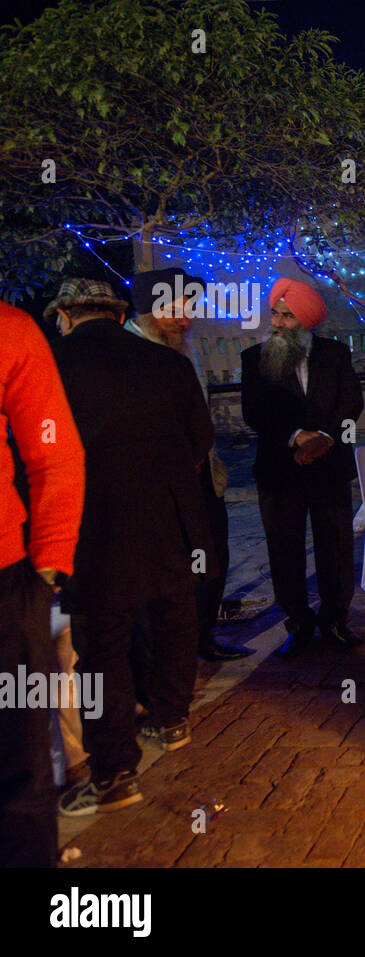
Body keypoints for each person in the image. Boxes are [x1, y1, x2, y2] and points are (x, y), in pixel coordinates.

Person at [48, 279, 214, 816]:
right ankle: (173, 719)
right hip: (166, 518)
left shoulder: (52, 364)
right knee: (172, 616)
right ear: (119, 315)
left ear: (66, 317)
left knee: (101, 648)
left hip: (90, 526)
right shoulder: (167, 364)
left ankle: (115, 771)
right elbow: (201, 439)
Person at [126, 267, 249, 661]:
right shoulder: (126, 352)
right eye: (174, 308)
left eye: (189, 308)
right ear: (149, 309)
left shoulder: (183, 345)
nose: (184, 317)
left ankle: (201, 637)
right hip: (151, 485)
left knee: (212, 555)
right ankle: (163, 653)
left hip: (200, 475)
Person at [0, 302, 84, 865]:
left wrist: (48, 562)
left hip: (6, 580)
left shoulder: (10, 330)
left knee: (19, 760)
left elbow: (54, 455)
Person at [241, 278, 364, 657]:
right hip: (281, 471)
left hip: (328, 467)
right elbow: (255, 413)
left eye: (288, 316)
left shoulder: (335, 354)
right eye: (275, 313)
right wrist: (296, 437)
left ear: (308, 321)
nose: (278, 322)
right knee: (285, 551)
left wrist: (324, 437)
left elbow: (351, 403)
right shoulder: (254, 358)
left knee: (336, 549)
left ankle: (335, 620)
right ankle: (298, 622)